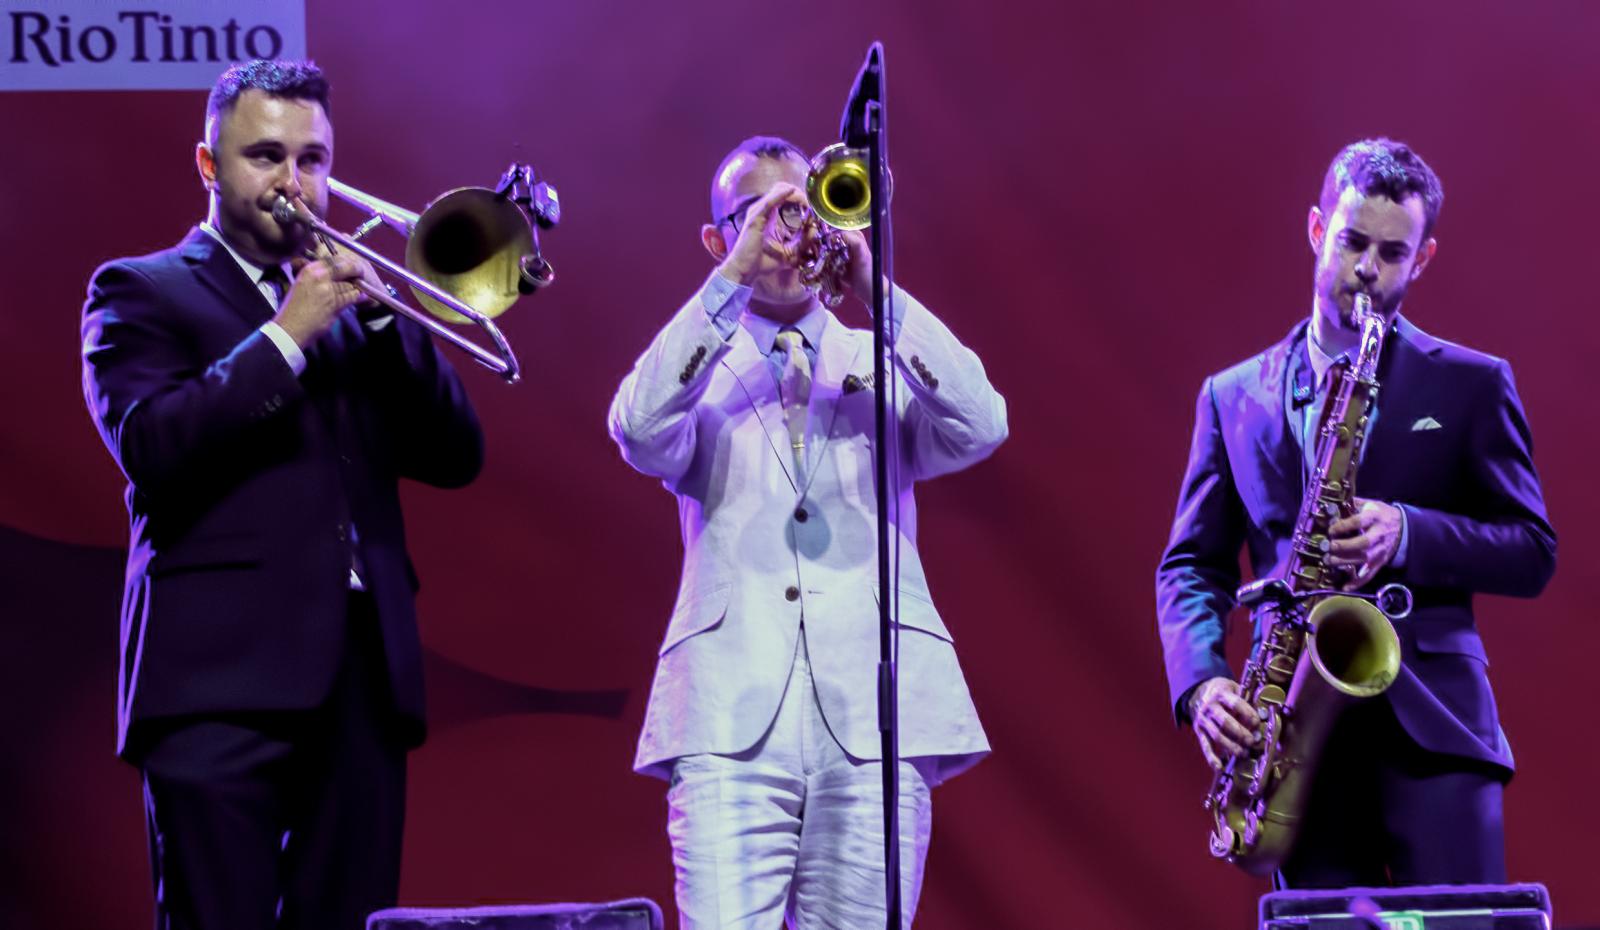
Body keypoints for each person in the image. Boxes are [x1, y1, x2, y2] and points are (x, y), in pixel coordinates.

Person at [80, 59, 484, 929]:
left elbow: (457, 455)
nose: (293, 182)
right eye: (266, 156)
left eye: (312, 159)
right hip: (214, 686)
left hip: (361, 688)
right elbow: (153, 445)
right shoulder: (140, 290)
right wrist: (288, 333)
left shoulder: (352, 304)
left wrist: (384, 320)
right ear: (208, 164)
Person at [608, 136, 1007, 927]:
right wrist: (730, 282)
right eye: (759, 214)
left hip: (872, 721)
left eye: (802, 206)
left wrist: (868, 281)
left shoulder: (877, 353)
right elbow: (637, 428)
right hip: (728, 721)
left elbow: (982, 425)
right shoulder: (699, 364)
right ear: (719, 237)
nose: (788, 230)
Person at [1155, 137, 1556, 887]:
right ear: (1317, 230)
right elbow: (1191, 564)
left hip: (1437, 728)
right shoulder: (1230, 395)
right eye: (1351, 243)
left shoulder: (1473, 384)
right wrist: (1203, 682)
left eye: (1392, 253)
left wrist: (1409, 531)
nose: (1367, 269)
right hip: (1297, 734)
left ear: (1424, 257)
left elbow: (1532, 549)